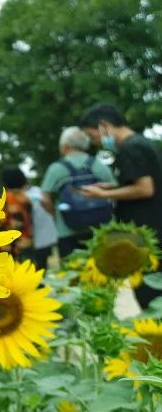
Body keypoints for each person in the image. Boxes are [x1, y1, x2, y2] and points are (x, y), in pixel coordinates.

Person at [78, 103, 162, 309]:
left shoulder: (130, 148)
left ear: (104, 125)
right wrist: (110, 187)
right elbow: (138, 182)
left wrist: (102, 195)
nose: (95, 142)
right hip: (153, 227)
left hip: (147, 234)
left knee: (149, 296)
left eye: (93, 136)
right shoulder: (142, 143)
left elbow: (145, 188)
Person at [39, 126, 116, 258]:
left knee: (71, 274)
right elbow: (114, 190)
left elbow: (44, 199)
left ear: (65, 146)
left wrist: (56, 215)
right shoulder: (100, 164)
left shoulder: (56, 168)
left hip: (67, 230)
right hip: (103, 229)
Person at [0, 166, 34, 262]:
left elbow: (1, 221)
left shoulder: (8, 198)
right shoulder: (28, 197)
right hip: (29, 241)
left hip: (12, 245)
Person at [26, 183, 57, 270]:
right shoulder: (36, 191)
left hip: (41, 233)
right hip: (33, 235)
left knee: (42, 262)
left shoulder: (36, 191)